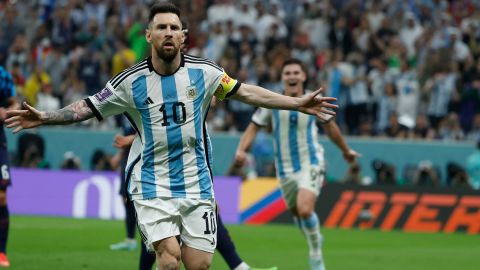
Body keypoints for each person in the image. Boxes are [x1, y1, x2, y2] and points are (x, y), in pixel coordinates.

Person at [5, 3, 337, 270]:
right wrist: (46, 117)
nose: (168, 33)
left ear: (184, 37)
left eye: (174, 28)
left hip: (197, 184)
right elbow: (86, 107)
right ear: (148, 35)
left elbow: (247, 93)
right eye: (161, 27)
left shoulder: (205, 73)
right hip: (151, 184)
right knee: (168, 257)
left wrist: (297, 103)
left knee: (200, 262)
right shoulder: (129, 82)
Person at [234, 59, 359, 270]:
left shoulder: (314, 99)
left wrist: (346, 151)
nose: (291, 76)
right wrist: (241, 149)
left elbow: (330, 127)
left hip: (310, 161)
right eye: (287, 73)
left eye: (295, 73)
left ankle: (316, 253)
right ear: (282, 78)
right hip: (284, 169)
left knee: (304, 208)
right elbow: (253, 127)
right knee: (298, 214)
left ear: (303, 76)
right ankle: (315, 240)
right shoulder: (272, 100)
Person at [0, 65, 20, 267]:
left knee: (1, 196)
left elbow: (13, 102)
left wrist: (9, 111)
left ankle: (1, 252)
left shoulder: (3, 75)